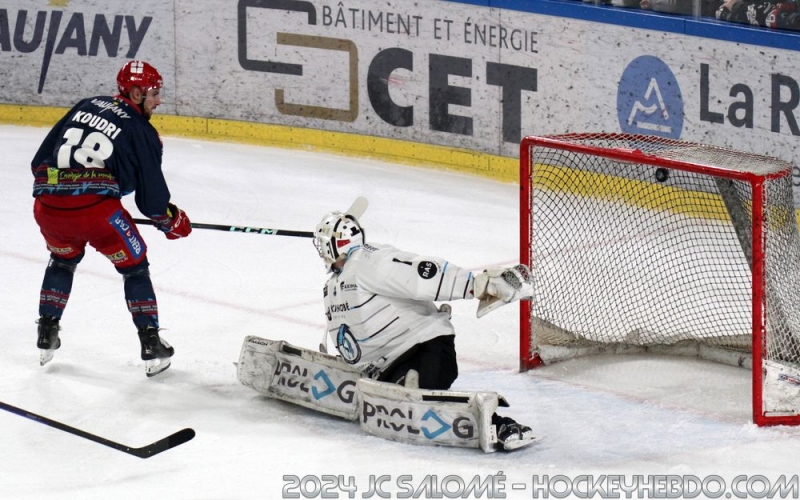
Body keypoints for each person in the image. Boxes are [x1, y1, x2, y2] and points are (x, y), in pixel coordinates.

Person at [312, 206, 536, 451]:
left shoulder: (369, 261)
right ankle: (395, 386)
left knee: (416, 400)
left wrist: (478, 285)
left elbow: (419, 274)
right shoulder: (336, 281)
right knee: (395, 398)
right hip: (386, 367)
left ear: (333, 244)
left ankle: (499, 425)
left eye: (322, 244)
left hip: (425, 350)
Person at [30, 60, 192, 377]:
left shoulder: (85, 104)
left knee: (61, 261)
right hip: (99, 216)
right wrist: (172, 221)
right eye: (153, 93)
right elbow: (152, 201)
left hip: (47, 209)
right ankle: (150, 343)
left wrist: (65, 191)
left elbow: (39, 160)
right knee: (134, 268)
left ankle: (46, 331)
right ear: (134, 92)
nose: (158, 101)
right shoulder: (142, 130)